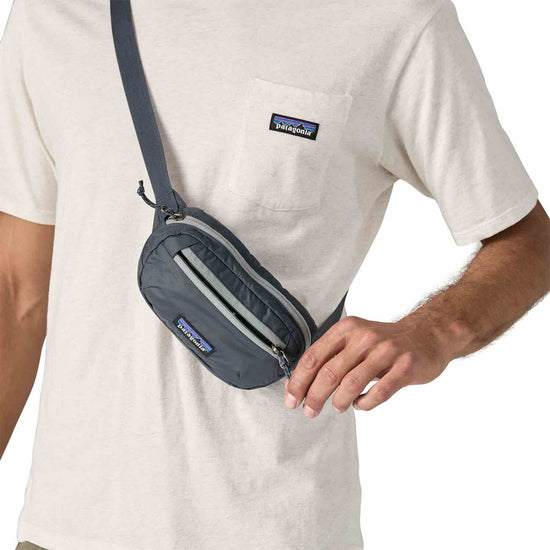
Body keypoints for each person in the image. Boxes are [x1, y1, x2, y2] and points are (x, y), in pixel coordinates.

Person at [1, 0, 548, 549]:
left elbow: (531, 243)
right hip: (64, 528)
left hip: (275, 528)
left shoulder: (394, 18)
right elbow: (16, 292)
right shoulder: (52, 15)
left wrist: (432, 331)